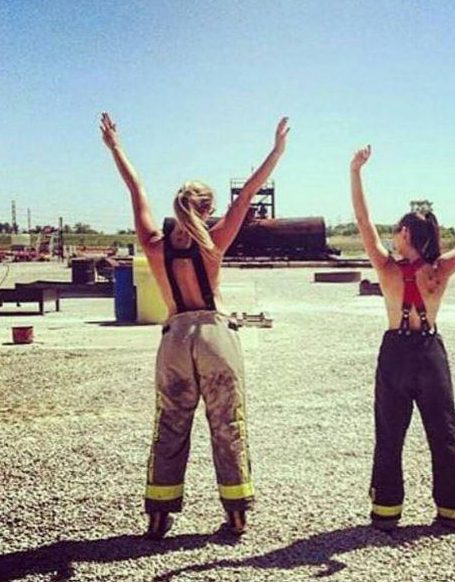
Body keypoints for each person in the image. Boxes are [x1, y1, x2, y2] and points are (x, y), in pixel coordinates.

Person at [100, 112, 290, 539]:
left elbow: (137, 189)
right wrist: (276, 150)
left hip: (175, 337)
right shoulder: (213, 242)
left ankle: (159, 515)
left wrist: (116, 146)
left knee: (170, 423)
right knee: (227, 423)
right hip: (214, 335)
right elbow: (251, 193)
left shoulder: (153, 245)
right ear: (207, 210)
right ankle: (237, 512)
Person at [350, 145, 455, 531]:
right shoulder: (440, 269)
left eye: (396, 230)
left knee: (389, 433)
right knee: (443, 432)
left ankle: (386, 512)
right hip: (430, 352)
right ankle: (454, 512)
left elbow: (362, 219)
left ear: (405, 233)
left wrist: (356, 173)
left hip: (396, 353)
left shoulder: (385, 267)